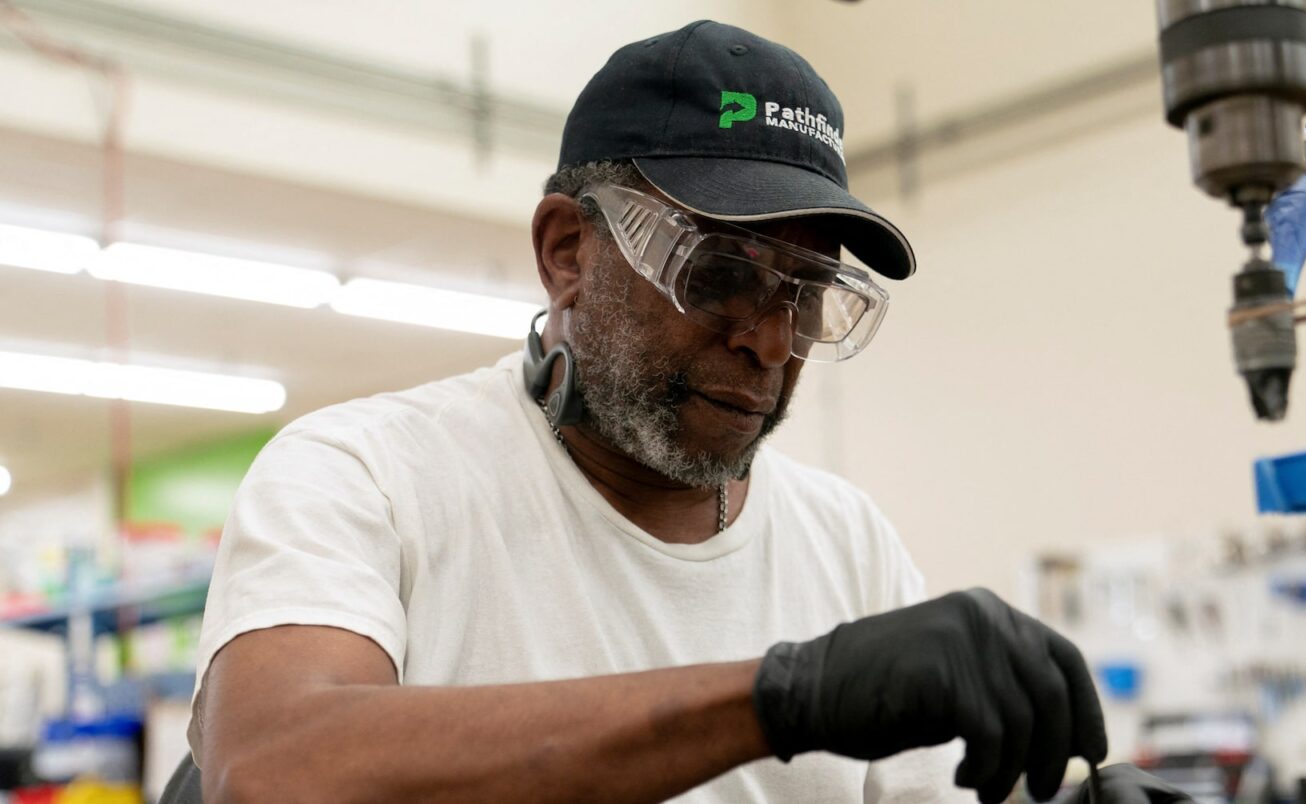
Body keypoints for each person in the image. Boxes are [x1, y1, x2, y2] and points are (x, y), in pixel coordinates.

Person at [191, 20, 1198, 804]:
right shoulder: (368, 476)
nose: (767, 339)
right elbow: (274, 771)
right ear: (568, 253)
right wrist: (782, 696)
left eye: (806, 295)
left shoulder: (846, 545)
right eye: (721, 270)